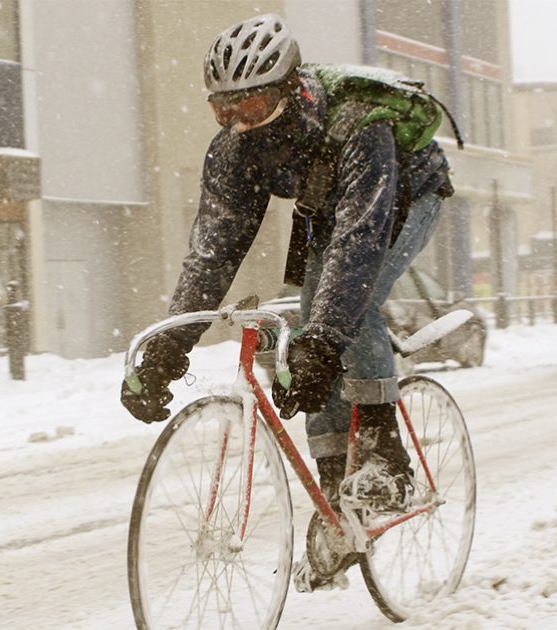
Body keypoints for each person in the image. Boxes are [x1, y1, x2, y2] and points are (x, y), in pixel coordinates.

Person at [120, 15, 455, 522]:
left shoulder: (359, 123)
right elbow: (212, 256)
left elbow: (359, 242)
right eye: (223, 109)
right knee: (306, 327)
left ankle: (386, 457)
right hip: (327, 203)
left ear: (290, 90)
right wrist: (167, 351)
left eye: (250, 105)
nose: (239, 123)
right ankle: (336, 497)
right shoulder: (235, 152)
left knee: (344, 312)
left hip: (406, 193)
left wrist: (324, 345)